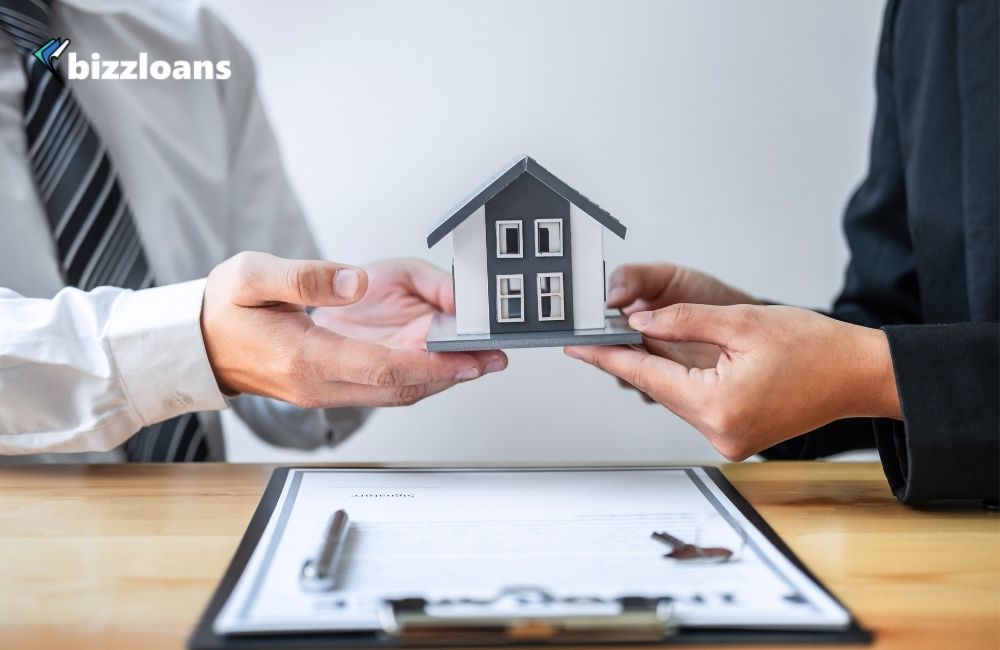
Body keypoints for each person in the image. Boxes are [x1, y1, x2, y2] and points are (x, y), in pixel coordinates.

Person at [0, 0, 506, 461]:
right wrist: (190, 341)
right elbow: (205, 340)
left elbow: (265, 337)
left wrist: (326, 339)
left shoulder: (191, 44)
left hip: (205, 531)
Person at [566, 0, 998, 506]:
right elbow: (900, 321)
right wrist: (740, 335)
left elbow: (884, 361)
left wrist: (866, 370)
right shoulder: (923, 14)